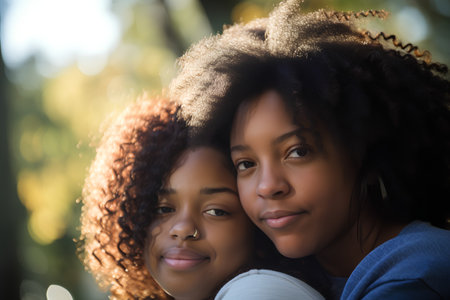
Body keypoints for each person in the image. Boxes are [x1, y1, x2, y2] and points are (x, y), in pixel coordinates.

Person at [169, 0, 450, 299]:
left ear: (367, 155)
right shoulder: (305, 276)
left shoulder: (416, 280)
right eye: (246, 164)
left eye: (298, 152)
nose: (268, 186)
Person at [79, 96, 325, 299]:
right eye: (163, 209)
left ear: (257, 227)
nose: (183, 228)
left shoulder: (258, 292)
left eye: (216, 211)